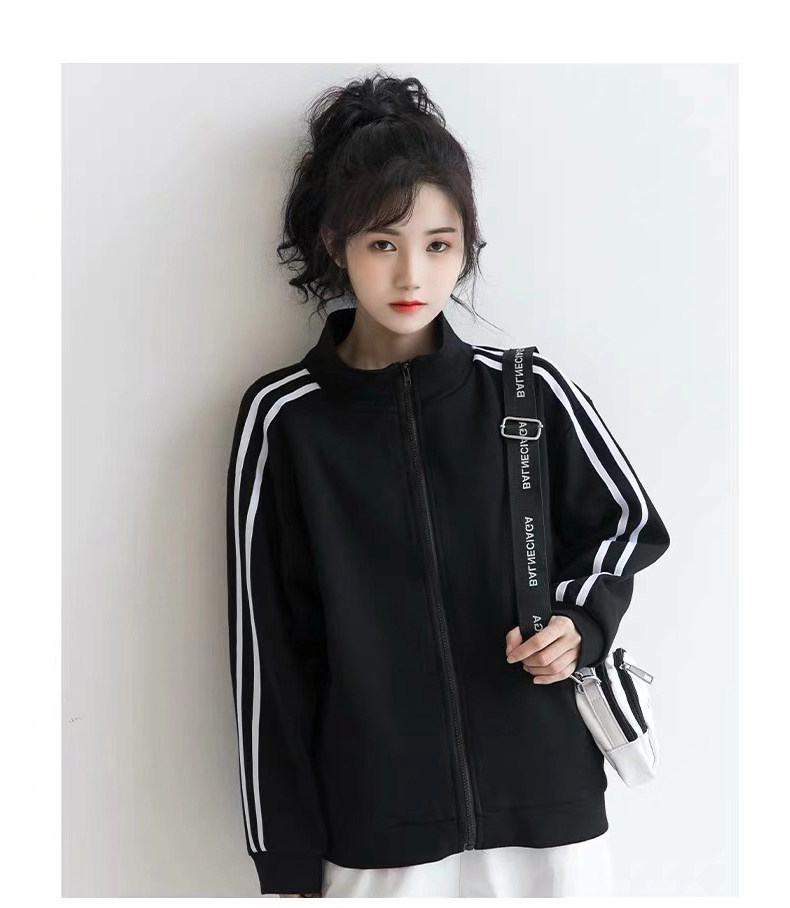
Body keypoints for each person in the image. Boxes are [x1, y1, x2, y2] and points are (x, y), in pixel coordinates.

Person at [225, 71, 670, 898]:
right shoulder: (286, 419)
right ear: (336, 243)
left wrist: (579, 621)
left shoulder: (526, 394)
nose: (411, 277)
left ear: (468, 246)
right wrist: (283, 858)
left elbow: (627, 525)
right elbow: (266, 654)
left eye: (438, 245)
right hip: (378, 826)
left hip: (548, 808)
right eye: (382, 244)